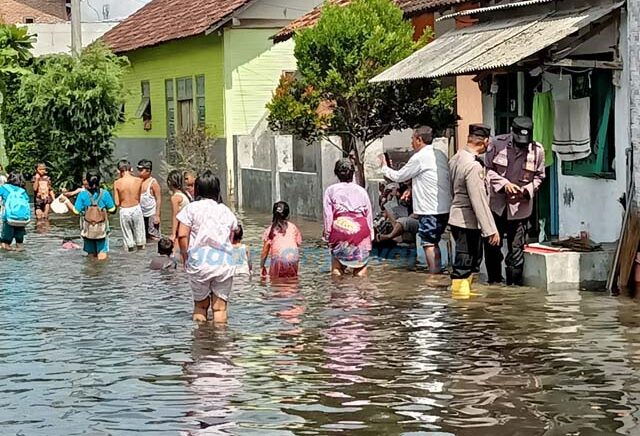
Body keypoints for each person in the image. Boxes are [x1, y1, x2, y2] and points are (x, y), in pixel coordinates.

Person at [379, 125, 451, 273]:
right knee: (433, 241)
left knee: (428, 242)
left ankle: (434, 274)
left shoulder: (420, 157)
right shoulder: (440, 154)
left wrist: (384, 167)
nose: (411, 142)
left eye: (412, 139)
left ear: (419, 139)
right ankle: (437, 271)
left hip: (430, 208)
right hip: (444, 207)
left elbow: (399, 176)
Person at [484, 116, 546, 285]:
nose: (522, 146)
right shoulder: (497, 144)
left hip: (520, 208)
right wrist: (504, 184)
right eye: (519, 142)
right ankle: (494, 285)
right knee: (492, 248)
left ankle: (514, 288)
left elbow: (540, 176)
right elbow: (487, 169)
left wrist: (528, 190)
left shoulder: (538, 150)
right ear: (512, 132)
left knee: (516, 250)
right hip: (497, 206)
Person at [177, 171, 237, 323]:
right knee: (220, 308)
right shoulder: (225, 210)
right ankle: (221, 342)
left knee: (200, 306)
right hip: (223, 263)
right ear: (217, 189)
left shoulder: (191, 209)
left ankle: (201, 342)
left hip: (199, 262)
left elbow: (182, 235)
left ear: (198, 189)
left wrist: (185, 257)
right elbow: (231, 237)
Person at [449, 124, 501, 293]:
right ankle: (462, 311)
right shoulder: (474, 166)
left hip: (457, 217)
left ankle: (464, 305)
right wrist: (490, 230)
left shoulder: (457, 157)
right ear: (485, 142)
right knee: (465, 264)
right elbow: (478, 200)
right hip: (467, 222)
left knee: (466, 263)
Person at [323, 158, 374, 276]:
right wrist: (370, 235)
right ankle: (360, 289)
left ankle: (339, 291)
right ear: (352, 173)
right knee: (360, 269)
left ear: (336, 173)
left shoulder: (330, 191)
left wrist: (327, 235)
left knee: (337, 268)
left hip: (340, 228)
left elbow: (328, 216)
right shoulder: (361, 191)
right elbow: (368, 214)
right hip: (361, 229)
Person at [61, 171, 116, 261]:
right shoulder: (105, 193)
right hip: (101, 228)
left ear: (87, 180)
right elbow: (112, 210)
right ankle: (102, 273)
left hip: (88, 228)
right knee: (102, 253)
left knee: (90, 255)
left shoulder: (82, 194)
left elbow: (76, 211)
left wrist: (66, 201)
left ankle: (91, 272)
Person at [261, 201, 302, 279]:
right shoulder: (293, 227)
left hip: (279, 259)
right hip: (293, 257)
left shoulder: (270, 230)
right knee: (292, 281)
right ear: (288, 215)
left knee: (275, 282)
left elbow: (265, 252)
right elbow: (298, 244)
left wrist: (262, 266)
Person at [113, 160, 146, 251]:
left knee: (128, 241)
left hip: (124, 210)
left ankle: (129, 261)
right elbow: (139, 197)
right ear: (130, 169)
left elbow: (116, 202)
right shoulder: (139, 181)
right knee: (140, 240)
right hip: (136, 208)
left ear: (119, 171)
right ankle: (140, 260)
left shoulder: (117, 183)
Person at [0, 172, 30, 251]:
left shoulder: (4, 188)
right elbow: (27, 201)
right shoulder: (23, 191)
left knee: (5, 242)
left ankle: (10, 258)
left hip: (9, 219)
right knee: (20, 243)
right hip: (22, 220)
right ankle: (18, 254)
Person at [138, 159, 161, 240]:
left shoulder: (153, 183)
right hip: (141, 213)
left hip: (152, 213)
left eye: (141, 170)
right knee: (142, 235)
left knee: (153, 235)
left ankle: (155, 251)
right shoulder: (138, 181)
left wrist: (157, 215)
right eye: (138, 169)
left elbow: (158, 199)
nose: (139, 172)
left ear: (148, 171)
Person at [167, 170, 190, 244]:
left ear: (169, 182)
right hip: (188, 226)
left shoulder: (175, 197)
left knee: (176, 251)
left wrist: (173, 234)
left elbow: (175, 216)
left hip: (181, 227)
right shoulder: (185, 194)